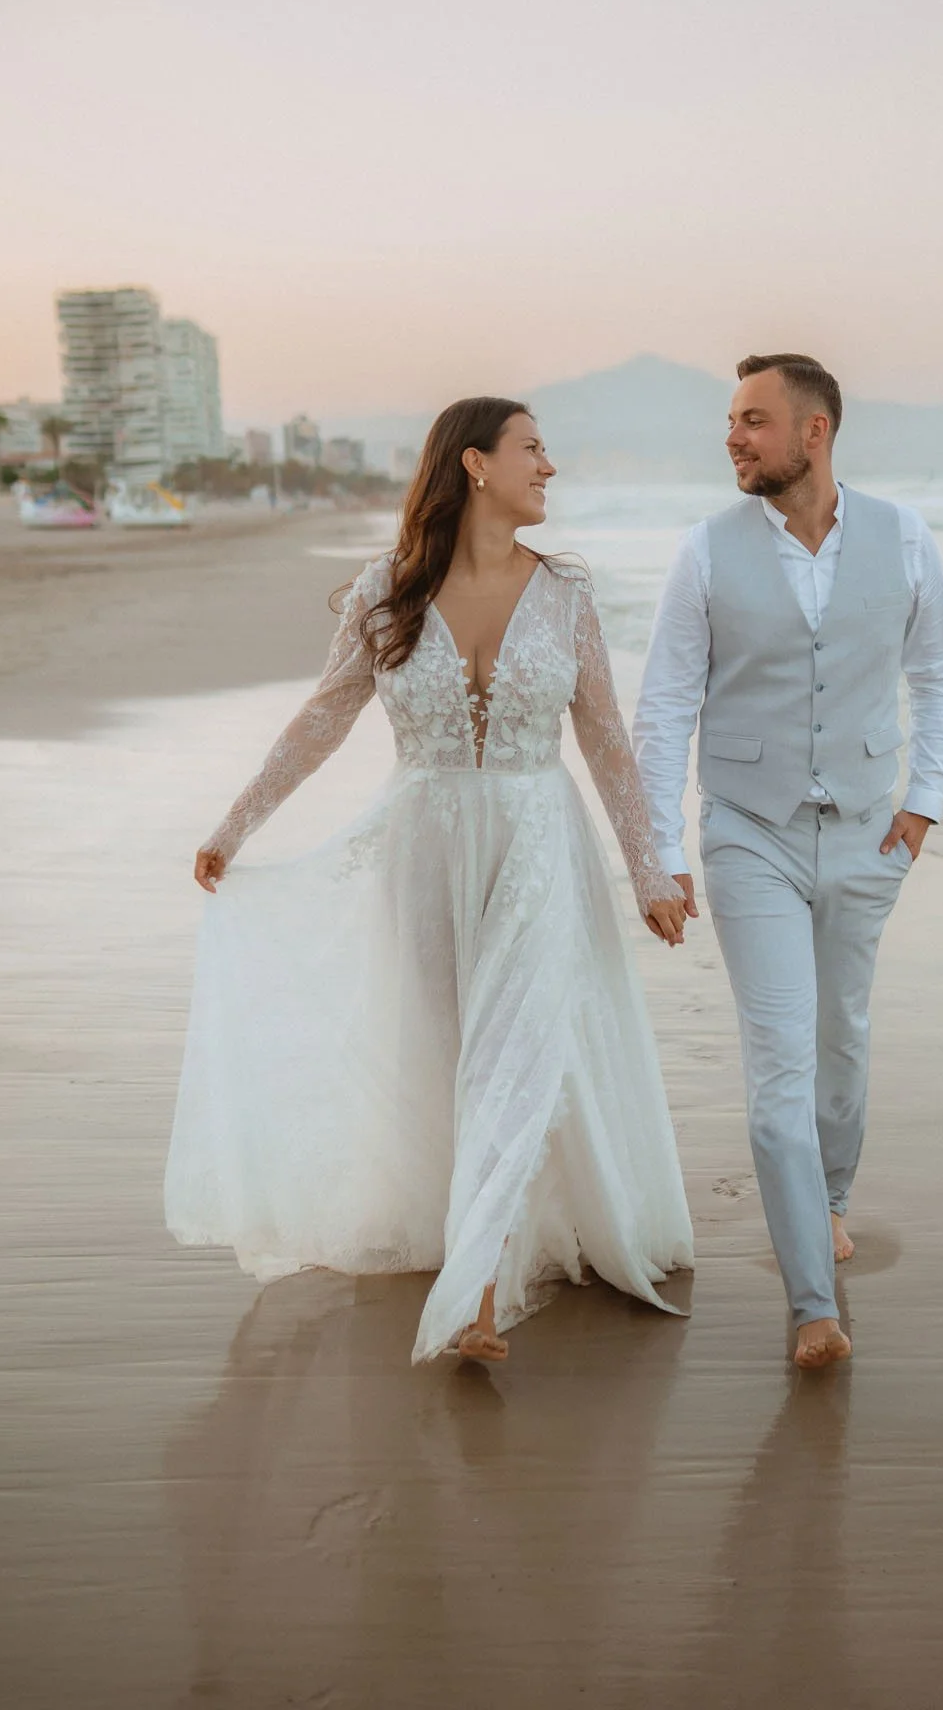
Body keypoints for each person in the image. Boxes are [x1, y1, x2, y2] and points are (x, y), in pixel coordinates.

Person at [165, 397, 694, 1364]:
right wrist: (233, 826)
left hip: (540, 841)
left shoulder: (567, 594)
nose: (550, 466)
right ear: (475, 465)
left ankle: (476, 1300)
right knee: (456, 1051)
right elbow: (322, 719)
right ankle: (480, 1241)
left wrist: (649, 868)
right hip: (425, 846)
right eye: (533, 448)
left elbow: (606, 742)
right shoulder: (386, 589)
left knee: (515, 1051)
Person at [634, 354, 943, 1369]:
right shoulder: (705, 550)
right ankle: (811, 1307)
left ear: (813, 431)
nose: (734, 438)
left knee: (843, 1037)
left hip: (868, 831)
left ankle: (827, 1200)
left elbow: (939, 676)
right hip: (748, 830)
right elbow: (665, 705)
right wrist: (658, 848)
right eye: (733, 421)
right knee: (781, 1060)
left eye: (753, 420)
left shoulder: (905, 536)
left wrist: (923, 803)